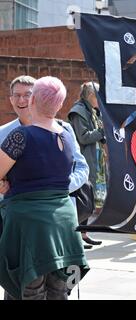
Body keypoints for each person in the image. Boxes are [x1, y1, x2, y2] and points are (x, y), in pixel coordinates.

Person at [0, 76, 89, 300]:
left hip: (30, 226)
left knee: (30, 292)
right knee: (58, 292)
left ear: (32, 102)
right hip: (64, 224)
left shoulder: (20, 136)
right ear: (59, 105)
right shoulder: (67, 136)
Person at [68, 82, 106, 247]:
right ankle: (76, 235)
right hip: (83, 160)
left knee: (88, 198)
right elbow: (83, 137)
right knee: (83, 198)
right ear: (91, 96)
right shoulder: (78, 112)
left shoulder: (92, 112)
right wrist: (102, 132)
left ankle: (83, 234)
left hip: (95, 158)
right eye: (98, 96)